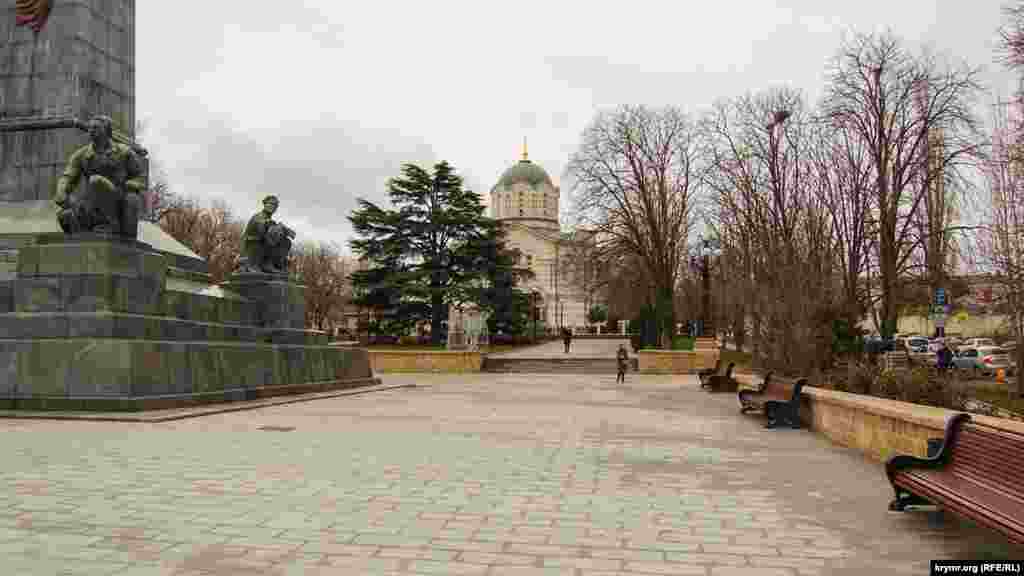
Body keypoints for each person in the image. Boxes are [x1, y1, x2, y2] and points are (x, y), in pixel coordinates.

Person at [54, 115, 146, 239]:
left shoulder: (124, 152)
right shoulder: (81, 154)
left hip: (118, 198)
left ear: (107, 131)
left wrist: (129, 185)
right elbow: (67, 177)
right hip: (91, 201)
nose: (91, 130)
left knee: (96, 181)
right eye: (90, 128)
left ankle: (110, 225)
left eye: (96, 128)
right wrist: (61, 191)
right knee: (64, 216)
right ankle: (88, 231)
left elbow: (141, 177)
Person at [239, 195, 296, 274]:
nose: (273, 206)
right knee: (275, 232)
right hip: (252, 248)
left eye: (275, 205)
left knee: (286, 241)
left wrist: (286, 231)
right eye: (271, 203)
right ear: (265, 204)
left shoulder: (270, 220)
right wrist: (280, 228)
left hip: (263, 247)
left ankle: (273, 263)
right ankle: (262, 263)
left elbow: (275, 230)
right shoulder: (258, 217)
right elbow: (263, 228)